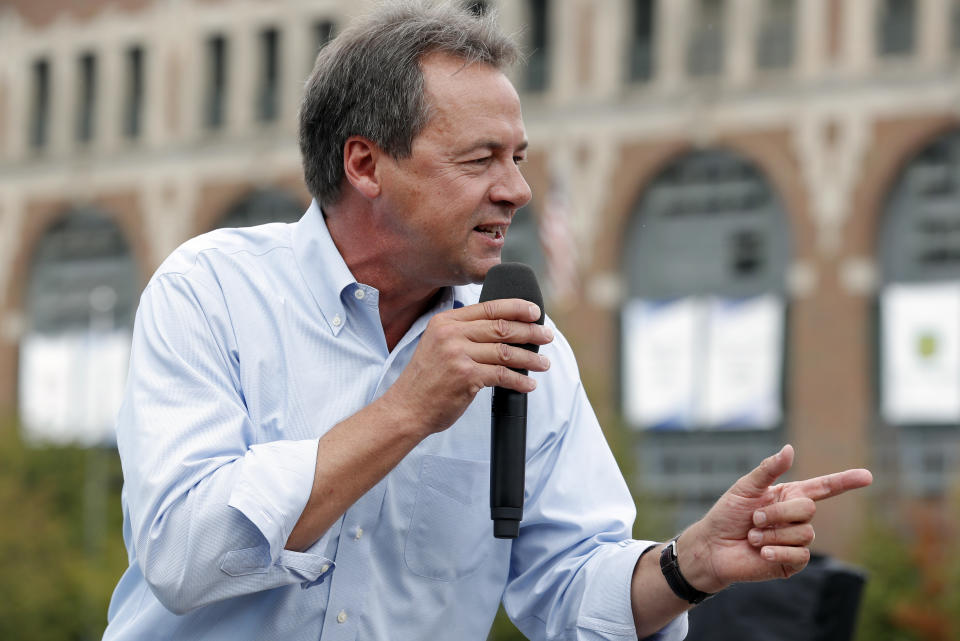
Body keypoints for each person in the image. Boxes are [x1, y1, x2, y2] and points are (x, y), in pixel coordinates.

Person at [102, 2, 873, 640]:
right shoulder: (210, 292)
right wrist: (406, 411)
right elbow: (180, 555)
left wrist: (689, 565)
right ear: (365, 165)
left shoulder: (527, 347)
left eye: (520, 157)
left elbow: (569, 588)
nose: (517, 191)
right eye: (481, 160)